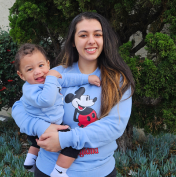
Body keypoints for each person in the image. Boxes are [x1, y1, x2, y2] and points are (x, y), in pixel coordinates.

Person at [12, 12, 135, 177]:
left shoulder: (117, 81)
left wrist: (65, 139)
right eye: (83, 35)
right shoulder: (55, 74)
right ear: (73, 41)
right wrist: (41, 127)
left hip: (97, 171)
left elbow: (113, 126)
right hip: (47, 169)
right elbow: (20, 106)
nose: (91, 40)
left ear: (105, 39)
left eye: (97, 34)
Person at [13, 43, 100, 177]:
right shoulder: (31, 89)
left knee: (36, 143)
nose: (38, 71)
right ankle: (59, 171)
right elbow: (47, 100)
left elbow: (67, 79)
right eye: (30, 69)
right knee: (74, 144)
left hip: (45, 126)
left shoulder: (49, 78)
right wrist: (52, 78)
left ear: (48, 64)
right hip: (42, 128)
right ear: (21, 75)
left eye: (41, 65)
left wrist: (87, 78)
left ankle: (30, 161)